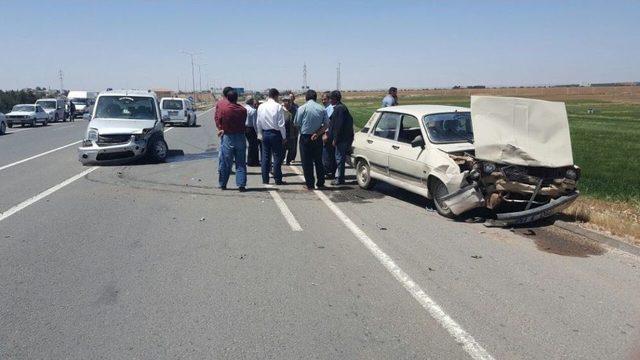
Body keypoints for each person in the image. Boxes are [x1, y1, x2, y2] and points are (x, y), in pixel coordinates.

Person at [214, 89, 248, 191]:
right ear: (237, 98)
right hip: (240, 137)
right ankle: (241, 184)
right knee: (241, 162)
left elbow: (219, 121)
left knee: (226, 162)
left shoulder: (224, 110)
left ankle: (223, 184)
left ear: (227, 98)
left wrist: (221, 129)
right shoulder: (243, 110)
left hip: (228, 137)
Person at [294, 90, 328, 190]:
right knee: (318, 161)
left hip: (305, 136)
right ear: (315, 98)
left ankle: (310, 184)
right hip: (317, 136)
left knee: (306, 162)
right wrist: (317, 133)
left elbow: (296, 123)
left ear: (306, 98)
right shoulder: (321, 108)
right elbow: (326, 124)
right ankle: (321, 182)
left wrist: (302, 130)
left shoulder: (302, 108)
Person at [256, 88, 286, 185]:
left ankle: (265, 179)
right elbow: (281, 124)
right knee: (277, 157)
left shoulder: (261, 106)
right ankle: (278, 179)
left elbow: (258, 122)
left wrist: (259, 134)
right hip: (275, 134)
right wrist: (284, 137)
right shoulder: (278, 106)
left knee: (265, 157)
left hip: (265, 133)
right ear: (276, 96)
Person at [328, 90, 354, 185]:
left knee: (339, 158)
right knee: (340, 158)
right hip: (344, 138)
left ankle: (340, 179)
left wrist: (335, 139)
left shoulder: (339, 109)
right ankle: (339, 177)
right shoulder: (341, 108)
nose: (330, 100)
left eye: (331, 98)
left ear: (335, 99)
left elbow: (338, 126)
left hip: (341, 139)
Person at [321, 91, 336, 179]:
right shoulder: (326, 108)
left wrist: (326, 133)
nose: (323, 101)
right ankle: (330, 171)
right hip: (328, 134)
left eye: (325, 99)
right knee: (329, 154)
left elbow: (329, 123)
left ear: (329, 99)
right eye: (322, 99)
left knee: (327, 153)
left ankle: (328, 171)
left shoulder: (330, 109)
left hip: (329, 135)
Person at [282, 95, 298, 165]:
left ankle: (288, 160)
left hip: (292, 132)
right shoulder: (280, 109)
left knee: (292, 148)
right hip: (283, 132)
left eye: (289, 101)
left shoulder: (294, 109)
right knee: (282, 149)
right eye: (285, 101)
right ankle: (281, 159)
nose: (287, 103)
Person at [244, 98, 260, 166]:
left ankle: (251, 161)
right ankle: (252, 161)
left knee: (250, 145)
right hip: (251, 129)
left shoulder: (244, 108)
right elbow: (255, 123)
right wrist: (257, 132)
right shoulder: (253, 110)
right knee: (253, 146)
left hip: (245, 128)